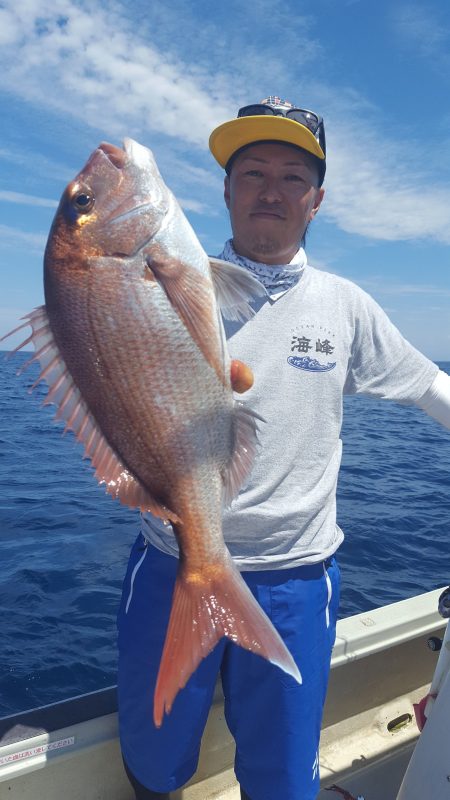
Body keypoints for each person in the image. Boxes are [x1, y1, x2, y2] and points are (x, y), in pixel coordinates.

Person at [117, 96, 450, 800]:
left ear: (318, 200)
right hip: (170, 562)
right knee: (152, 764)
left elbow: (429, 387)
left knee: (282, 779)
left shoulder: (346, 305)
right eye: (253, 172)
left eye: (293, 175)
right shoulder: (164, 284)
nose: (271, 189)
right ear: (226, 190)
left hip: (295, 580)